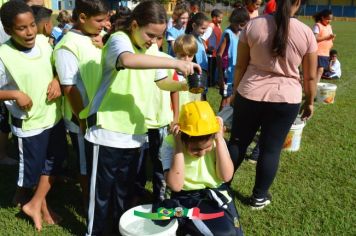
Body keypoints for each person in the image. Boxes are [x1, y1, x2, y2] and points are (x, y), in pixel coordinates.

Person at [81, 1, 201, 235]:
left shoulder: (153, 51)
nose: (153, 41)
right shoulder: (119, 40)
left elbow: (161, 82)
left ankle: (117, 229)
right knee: (101, 195)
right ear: (134, 24)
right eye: (150, 35)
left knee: (122, 193)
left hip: (135, 133)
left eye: (158, 37)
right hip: (106, 133)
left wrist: (184, 83)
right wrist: (176, 62)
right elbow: (128, 61)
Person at [228, 0, 317, 210]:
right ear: (299, 2)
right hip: (286, 99)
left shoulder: (253, 25)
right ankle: (259, 197)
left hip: (249, 93)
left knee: (238, 142)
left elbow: (240, 65)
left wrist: (235, 93)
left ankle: (221, 188)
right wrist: (310, 102)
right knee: (271, 149)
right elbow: (310, 77)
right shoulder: (306, 33)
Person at [0, 1, 67, 230]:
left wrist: (57, 80)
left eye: (31, 25)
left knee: (55, 162)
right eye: (21, 28)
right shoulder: (3, 55)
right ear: (8, 30)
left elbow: (56, 67)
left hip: (53, 117)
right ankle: (40, 207)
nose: (30, 32)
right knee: (35, 170)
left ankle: (34, 203)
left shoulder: (43, 42)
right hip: (29, 124)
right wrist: (15, 94)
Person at [54, 0, 109, 211]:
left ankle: (98, 198)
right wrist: (82, 119)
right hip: (82, 119)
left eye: (105, 19)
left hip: (100, 114)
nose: (104, 24)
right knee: (86, 165)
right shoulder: (68, 46)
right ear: (82, 17)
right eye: (99, 20)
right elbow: (69, 88)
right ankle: (88, 203)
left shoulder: (96, 38)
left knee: (97, 162)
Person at [161, 101, 243, 236]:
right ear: (182, 136)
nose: (202, 153)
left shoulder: (216, 140)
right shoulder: (170, 143)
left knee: (233, 232)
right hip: (186, 197)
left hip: (217, 193)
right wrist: (179, 147)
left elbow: (226, 176)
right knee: (222, 233)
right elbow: (176, 185)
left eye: (207, 148)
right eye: (195, 149)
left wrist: (219, 139)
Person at [217, 6, 249, 111]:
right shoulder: (228, 34)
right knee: (225, 100)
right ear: (233, 21)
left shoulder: (241, 34)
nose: (241, 27)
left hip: (236, 72)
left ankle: (227, 122)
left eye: (243, 25)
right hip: (227, 74)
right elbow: (219, 55)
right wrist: (221, 77)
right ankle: (220, 121)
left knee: (233, 99)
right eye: (239, 25)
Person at [173, 34, 201, 113]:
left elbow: (196, 96)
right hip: (172, 114)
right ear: (175, 52)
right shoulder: (170, 68)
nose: (186, 59)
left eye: (190, 56)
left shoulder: (193, 70)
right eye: (182, 55)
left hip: (187, 112)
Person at [185, 12, 209, 101]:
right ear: (194, 25)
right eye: (203, 28)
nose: (204, 31)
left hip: (202, 74)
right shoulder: (190, 39)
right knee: (198, 100)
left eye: (205, 29)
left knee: (203, 98)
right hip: (195, 76)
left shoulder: (199, 38)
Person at [313, 9, 335, 83]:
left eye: (331, 19)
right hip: (318, 52)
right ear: (322, 17)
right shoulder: (318, 25)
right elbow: (315, 38)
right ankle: (315, 85)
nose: (329, 21)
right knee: (320, 69)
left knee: (319, 70)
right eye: (328, 19)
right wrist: (327, 37)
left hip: (325, 52)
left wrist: (332, 39)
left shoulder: (329, 26)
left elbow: (329, 37)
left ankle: (314, 85)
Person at [203, 9, 223, 87]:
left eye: (221, 18)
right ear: (214, 18)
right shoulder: (211, 26)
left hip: (216, 52)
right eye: (219, 18)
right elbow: (203, 38)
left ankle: (213, 82)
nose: (221, 19)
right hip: (211, 54)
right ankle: (210, 84)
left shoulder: (218, 25)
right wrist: (207, 48)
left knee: (215, 69)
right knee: (211, 69)